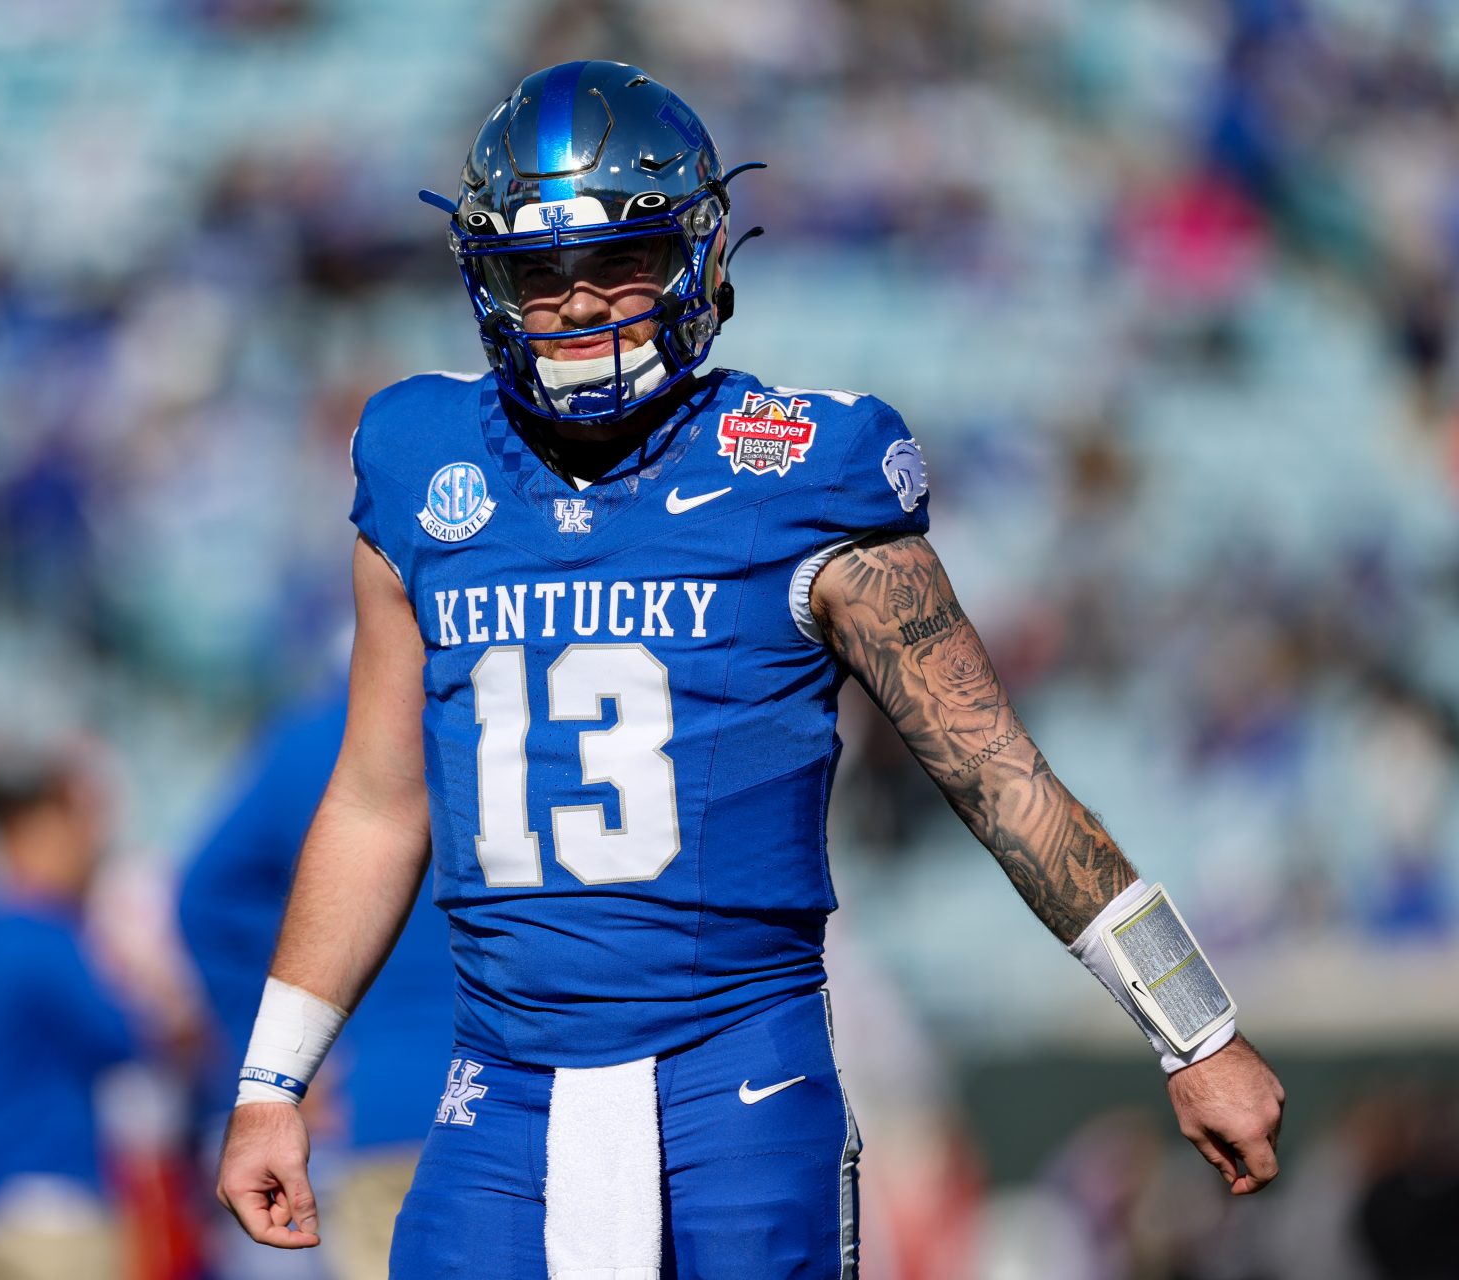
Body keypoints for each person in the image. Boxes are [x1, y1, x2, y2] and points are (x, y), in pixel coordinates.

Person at [217, 61, 1287, 1279]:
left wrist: (1193, 1026)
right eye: (541, 273)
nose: (580, 305)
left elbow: (1001, 779)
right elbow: (375, 798)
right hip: (500, 1090)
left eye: (621, 260)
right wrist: (271, 1079)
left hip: (735, 1079)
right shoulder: (419, 462)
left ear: (701, 258)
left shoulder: (800, 469)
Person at [179, 678, 454, 1279]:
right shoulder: (515, 709)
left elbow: (205, 896)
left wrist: (283, 1060)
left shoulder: (314, 739)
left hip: (386, 1107)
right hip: (546, 1104)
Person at [0, 743, 181, 1280]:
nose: (86, 848)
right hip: (50, 1205)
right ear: (35, 830)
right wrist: (155, 983)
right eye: (73, 828)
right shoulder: (43, 935)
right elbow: (127, 1037)